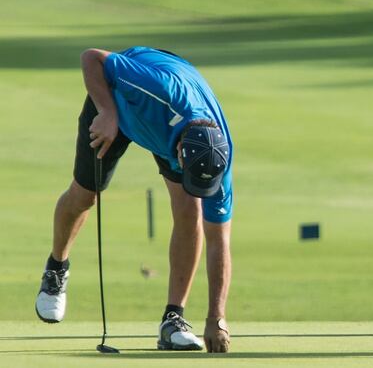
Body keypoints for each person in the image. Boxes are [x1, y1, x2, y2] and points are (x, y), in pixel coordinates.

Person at [35, 46, 233, 352]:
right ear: (180, 152)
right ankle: (56, 268)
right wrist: (107, 111)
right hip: (120, 101)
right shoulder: (157, 89)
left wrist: (217, 318)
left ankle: (173, 320)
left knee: (190, 210)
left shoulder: (217, 157)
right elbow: (92, 58)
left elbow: (219, 240)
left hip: (170, 128)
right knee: (85, 195)